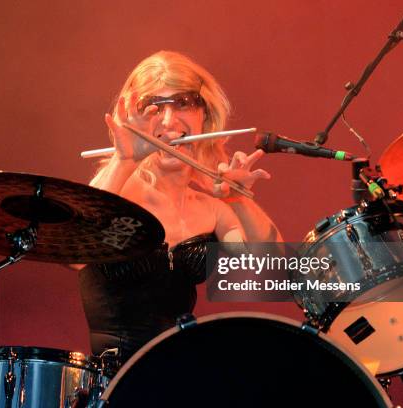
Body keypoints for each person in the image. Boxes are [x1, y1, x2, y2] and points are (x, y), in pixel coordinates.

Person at [79, 50, 281, 363]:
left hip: (180, 374)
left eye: (183, 103)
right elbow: (73, 253)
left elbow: (270, 272)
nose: (169, 120)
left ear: (206, 116)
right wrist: (124, 161)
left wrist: (237, 198)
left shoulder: (212, 206)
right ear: (131, 119)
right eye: (153, 107)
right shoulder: (116, 189)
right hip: (114, 384)